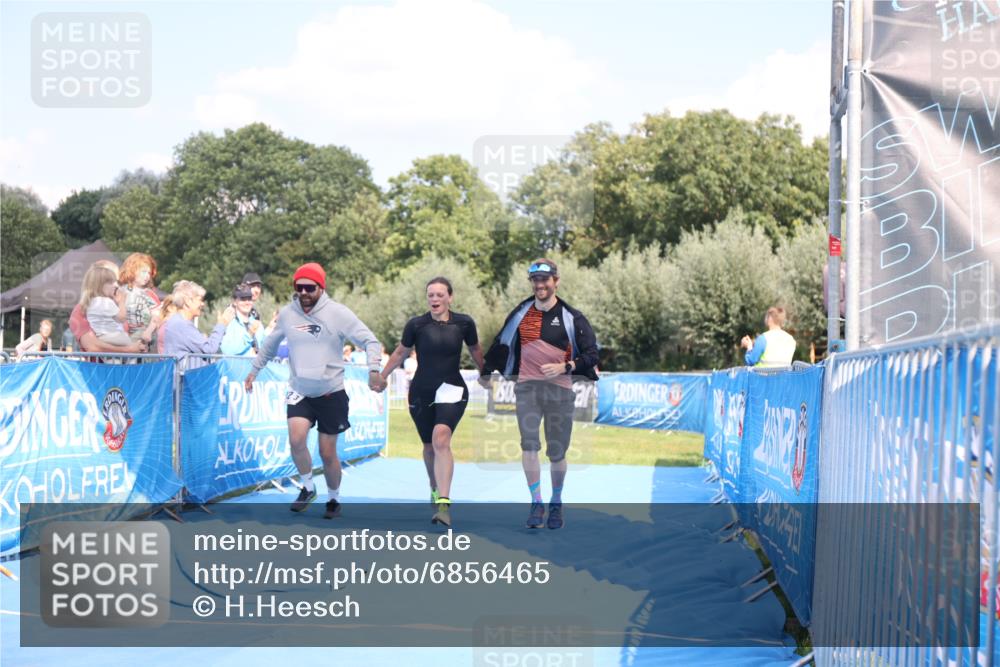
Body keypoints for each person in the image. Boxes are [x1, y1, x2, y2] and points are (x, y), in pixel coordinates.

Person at [243, 262, 386, 519]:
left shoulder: (338, 313)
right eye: (300, 288)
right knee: (296, 441)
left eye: (310, 287)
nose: (305, 292)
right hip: (299, 390)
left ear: (321, 287)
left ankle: (333, 498)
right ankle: (308, 487)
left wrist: (373, 369)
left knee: (326, 452)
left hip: (331, 392)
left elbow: (370, 340)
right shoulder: (288, 314)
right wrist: (254, 370)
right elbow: (270, 344)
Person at [480, 258, 599, 530]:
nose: (540, 284)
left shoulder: (572, 317)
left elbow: (592, 354)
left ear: (555, 281)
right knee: (529, 445)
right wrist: (487, 372)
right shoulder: (522, 313)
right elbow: (502, 342)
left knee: (557, 452)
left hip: (560, 391)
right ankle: (536, 501)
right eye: (535, 280)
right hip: (527, 388)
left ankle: (556, 502)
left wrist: (565, 366)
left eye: (545, 279)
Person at [379, 277, 485, 526]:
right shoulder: (416, 325)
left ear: (450, 297)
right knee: (428, 446)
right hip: (421, 391)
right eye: (431, 295)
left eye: (440, 295)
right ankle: (434, 485)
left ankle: (444, 504)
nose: (435, 299)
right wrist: (382, 377)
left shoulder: (464, 323)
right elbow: (399, 353)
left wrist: (485, 372)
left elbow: (476, 350)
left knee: (441, 438)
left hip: (452, 388)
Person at [68, 261, 145, 355]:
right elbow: (92, 347)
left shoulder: (116, 307)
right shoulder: (81, 309)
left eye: (116, 281)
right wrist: (129, 350)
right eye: (110, 281)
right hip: (97, 368)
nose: (116, 285)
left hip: (121, 367)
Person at [161, 280, 235, 368]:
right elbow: (210, 349)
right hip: (186, 379)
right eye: (200, 300)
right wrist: (222, 324)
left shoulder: (177, 322)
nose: (202, 304)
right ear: (188, 301)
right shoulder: (182, 325)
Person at [81, 265, 131, 347]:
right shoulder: (105, 301)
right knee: (132, 346)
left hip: (101, 337)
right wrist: (122, 301)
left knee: (114, 359)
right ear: (99, 285)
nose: (116, 285)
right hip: (113, 337)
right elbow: (122, 318)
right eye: (111, 283)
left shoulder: (92, 302)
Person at [120, 253, 162, 347]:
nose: (147, 276)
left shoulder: (148, 293)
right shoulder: (120, 291)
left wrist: (148, 332)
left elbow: (157, 315)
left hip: (142, 332)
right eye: (143, 271)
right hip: (123, 331)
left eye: (149, 273)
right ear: (132, 270)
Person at [220, 283, 265, 356]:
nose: (247, 302)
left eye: (249, 299)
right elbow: (227, 351)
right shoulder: (229, 323)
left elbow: (266, 349)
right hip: (236, 366)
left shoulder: (257, 324)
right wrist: (249, 335)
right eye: (243, 299)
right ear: (235, 302)